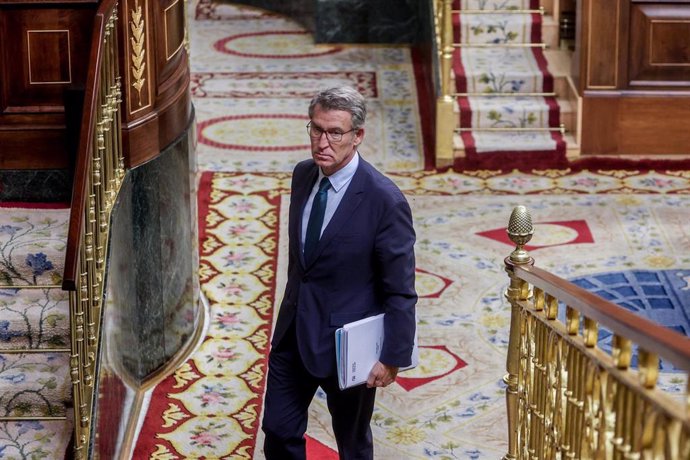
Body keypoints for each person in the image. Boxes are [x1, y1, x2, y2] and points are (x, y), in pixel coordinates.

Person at [261, 86, 417, 460]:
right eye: (316, 129)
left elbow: (400, 289)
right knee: (278, 431)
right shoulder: (303, 176)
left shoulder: (385, 201)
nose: (322, 142)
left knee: (352, 443)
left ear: (357, 136)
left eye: (335, 133)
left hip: (348, 348)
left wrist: (392, 355)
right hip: (294, 334)